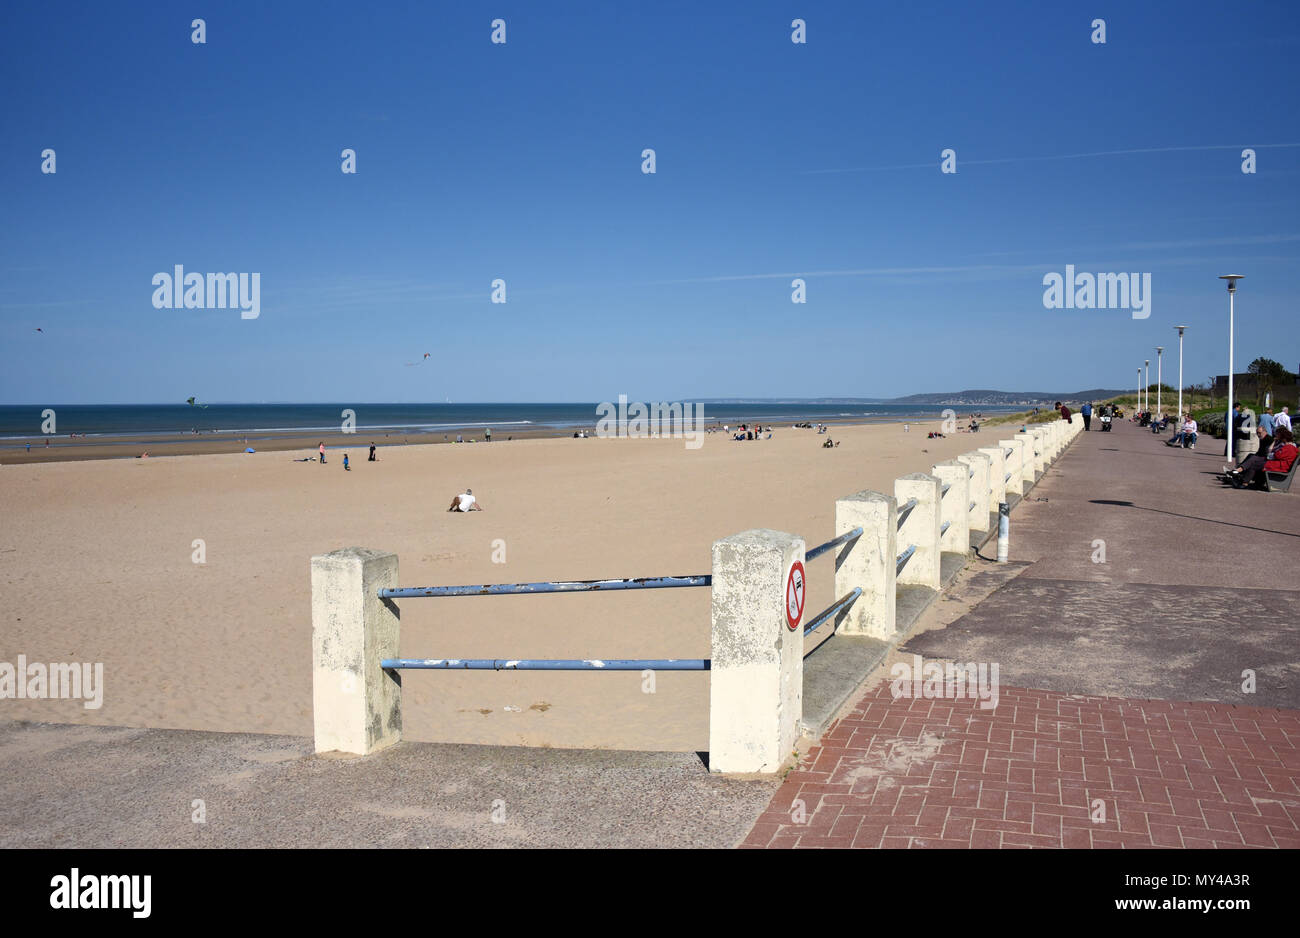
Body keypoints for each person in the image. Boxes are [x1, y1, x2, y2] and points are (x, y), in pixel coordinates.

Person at [1225, 427, 1296, 489]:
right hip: (1278, 464)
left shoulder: (1288, 448)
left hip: (1279, 465)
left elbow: (1275, 455)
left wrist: (1272, 453)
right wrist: (1272, 453)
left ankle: (1244, 482)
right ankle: (1242, 477)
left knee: (1254, 464)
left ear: (1283, 438)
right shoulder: (1288, 447)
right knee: (1253, 460)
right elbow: (1274, 454)